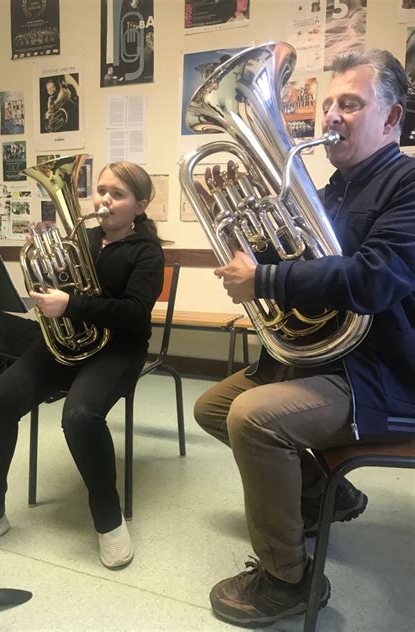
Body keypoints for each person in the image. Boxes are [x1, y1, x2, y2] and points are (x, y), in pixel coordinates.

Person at [194, 48, 415, 626]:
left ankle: (285, 581)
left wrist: (265, 278)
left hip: (380, 372)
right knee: (214, 407)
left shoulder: (409, 185)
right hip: (329, 360)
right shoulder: (334, 188)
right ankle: (324, 495)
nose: (332, 117)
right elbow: (309, 262)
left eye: (351, 103)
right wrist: (248, 236)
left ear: (391, 119)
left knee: (253, 418)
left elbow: (373, 276)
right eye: (327, 105)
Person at [0, 161, 165, 569]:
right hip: (64, 342)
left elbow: (135, 314)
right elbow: (58, 289)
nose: (104, 200)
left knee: (79, 416)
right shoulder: (84, 238)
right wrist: (47, 268)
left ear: (140, 205)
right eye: (101, 191)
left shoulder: (147, 252)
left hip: (118, 349)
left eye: (118, 194)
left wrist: (71, 304)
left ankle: (109, 521)